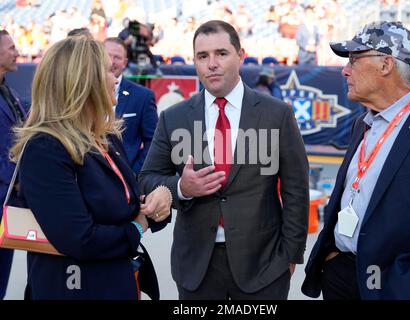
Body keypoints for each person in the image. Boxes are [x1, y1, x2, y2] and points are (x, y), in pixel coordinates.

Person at [139, 20, 309, 300]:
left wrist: (291, 254)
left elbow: (296, 189)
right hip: (196, 267)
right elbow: (147, 179)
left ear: (241, 56)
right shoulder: (174, 117)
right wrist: (182, 188)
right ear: (194, 61)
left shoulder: (277, 114)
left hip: (264, 266)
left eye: (221, 53)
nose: (212, 64)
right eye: (202, 56)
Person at [9, 37, 171, 300]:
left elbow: (121, 205)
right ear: (84, 81)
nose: (116, 76)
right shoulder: (46, 149)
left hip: (118, 285)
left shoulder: (106, 138)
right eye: (108, 69)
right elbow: (81, 239)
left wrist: (156, 201)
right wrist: (139, 226)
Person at [301, 21, 410, 300]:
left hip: (399, 287)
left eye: (355, 60)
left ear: (385, 65)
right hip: (341, 275)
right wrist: (333, 258)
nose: (345, 70)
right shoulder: (363, 123)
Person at [104, 37, 158, 174]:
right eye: (107, 55)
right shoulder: (85, 92)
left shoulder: (143, 96)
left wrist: (134, 174)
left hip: (128, 178)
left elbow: (153, 141)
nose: (111, 61)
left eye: (117, 57)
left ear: (125, 63)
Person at [0, 30, 26, 300]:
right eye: (11, 47)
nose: (16, 51)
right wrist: (18, 179)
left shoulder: (9, 91)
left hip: (8, 204)